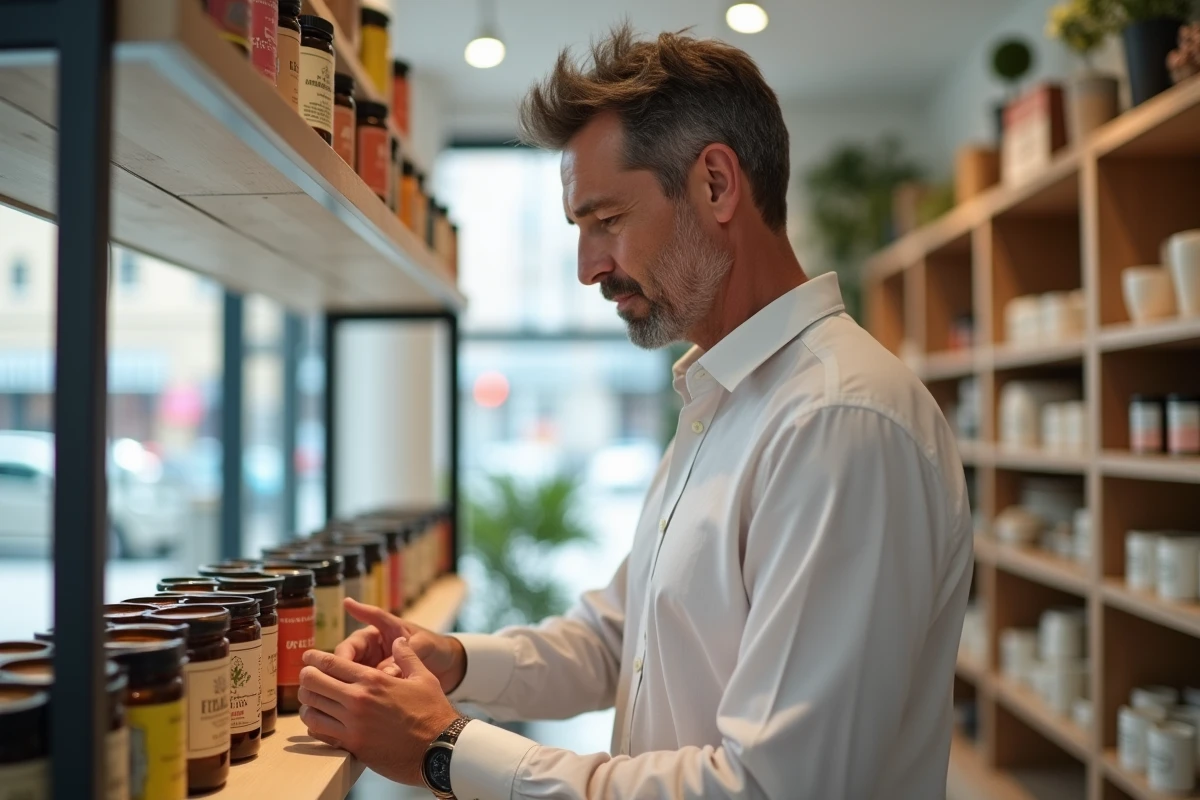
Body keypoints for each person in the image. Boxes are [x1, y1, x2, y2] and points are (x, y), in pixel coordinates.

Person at [298, 23, 973, 800]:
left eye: (606, 220)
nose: (589, 268)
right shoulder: (718, 397)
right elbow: (629, 637)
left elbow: (772, 788)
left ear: (716, 184)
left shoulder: (838, 422)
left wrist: (444, 748)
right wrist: (452, 659)